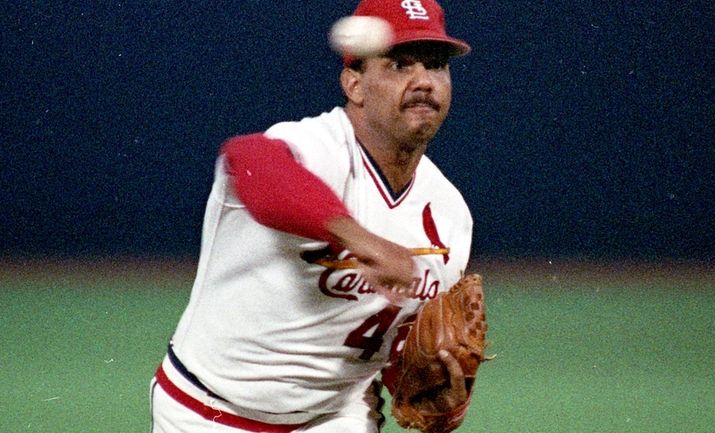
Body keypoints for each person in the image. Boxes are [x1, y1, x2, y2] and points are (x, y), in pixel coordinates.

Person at [150, 1, 475, 432]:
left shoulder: (450, 217)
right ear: (354, 84)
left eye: (435, 66)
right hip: (208, 412)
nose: (422, 81)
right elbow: (248, 160)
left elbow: (396, 349)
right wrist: (359, 239)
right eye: (399, 64)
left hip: (337, 418)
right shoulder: (311, 148)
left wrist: (442, 399)